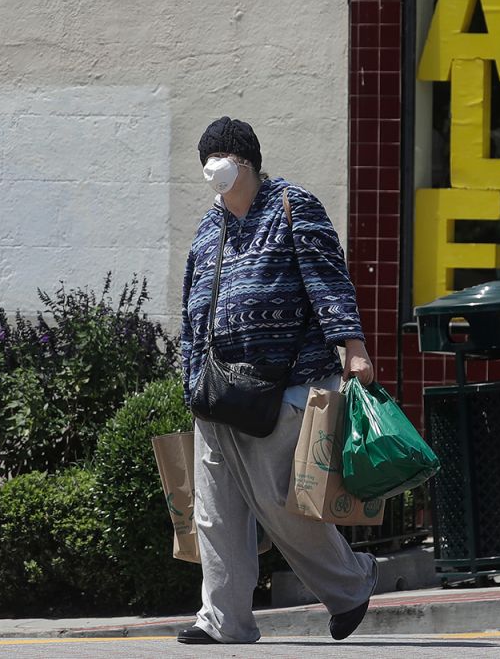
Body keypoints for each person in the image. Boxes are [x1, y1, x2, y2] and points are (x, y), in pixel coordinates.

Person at [178, 117, 378, 645]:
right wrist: (190, 378)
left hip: (284, 382)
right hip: (217, 391)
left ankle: (352, 582)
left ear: (245, 161)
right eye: (206, 157)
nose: (211, 166)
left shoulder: (293, 206)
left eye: (220, 156)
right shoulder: (208, 227)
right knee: (215, 514)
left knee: (278, 503)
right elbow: (190, 312)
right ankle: (224, 620)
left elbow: (328, 279)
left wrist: (352, 346)